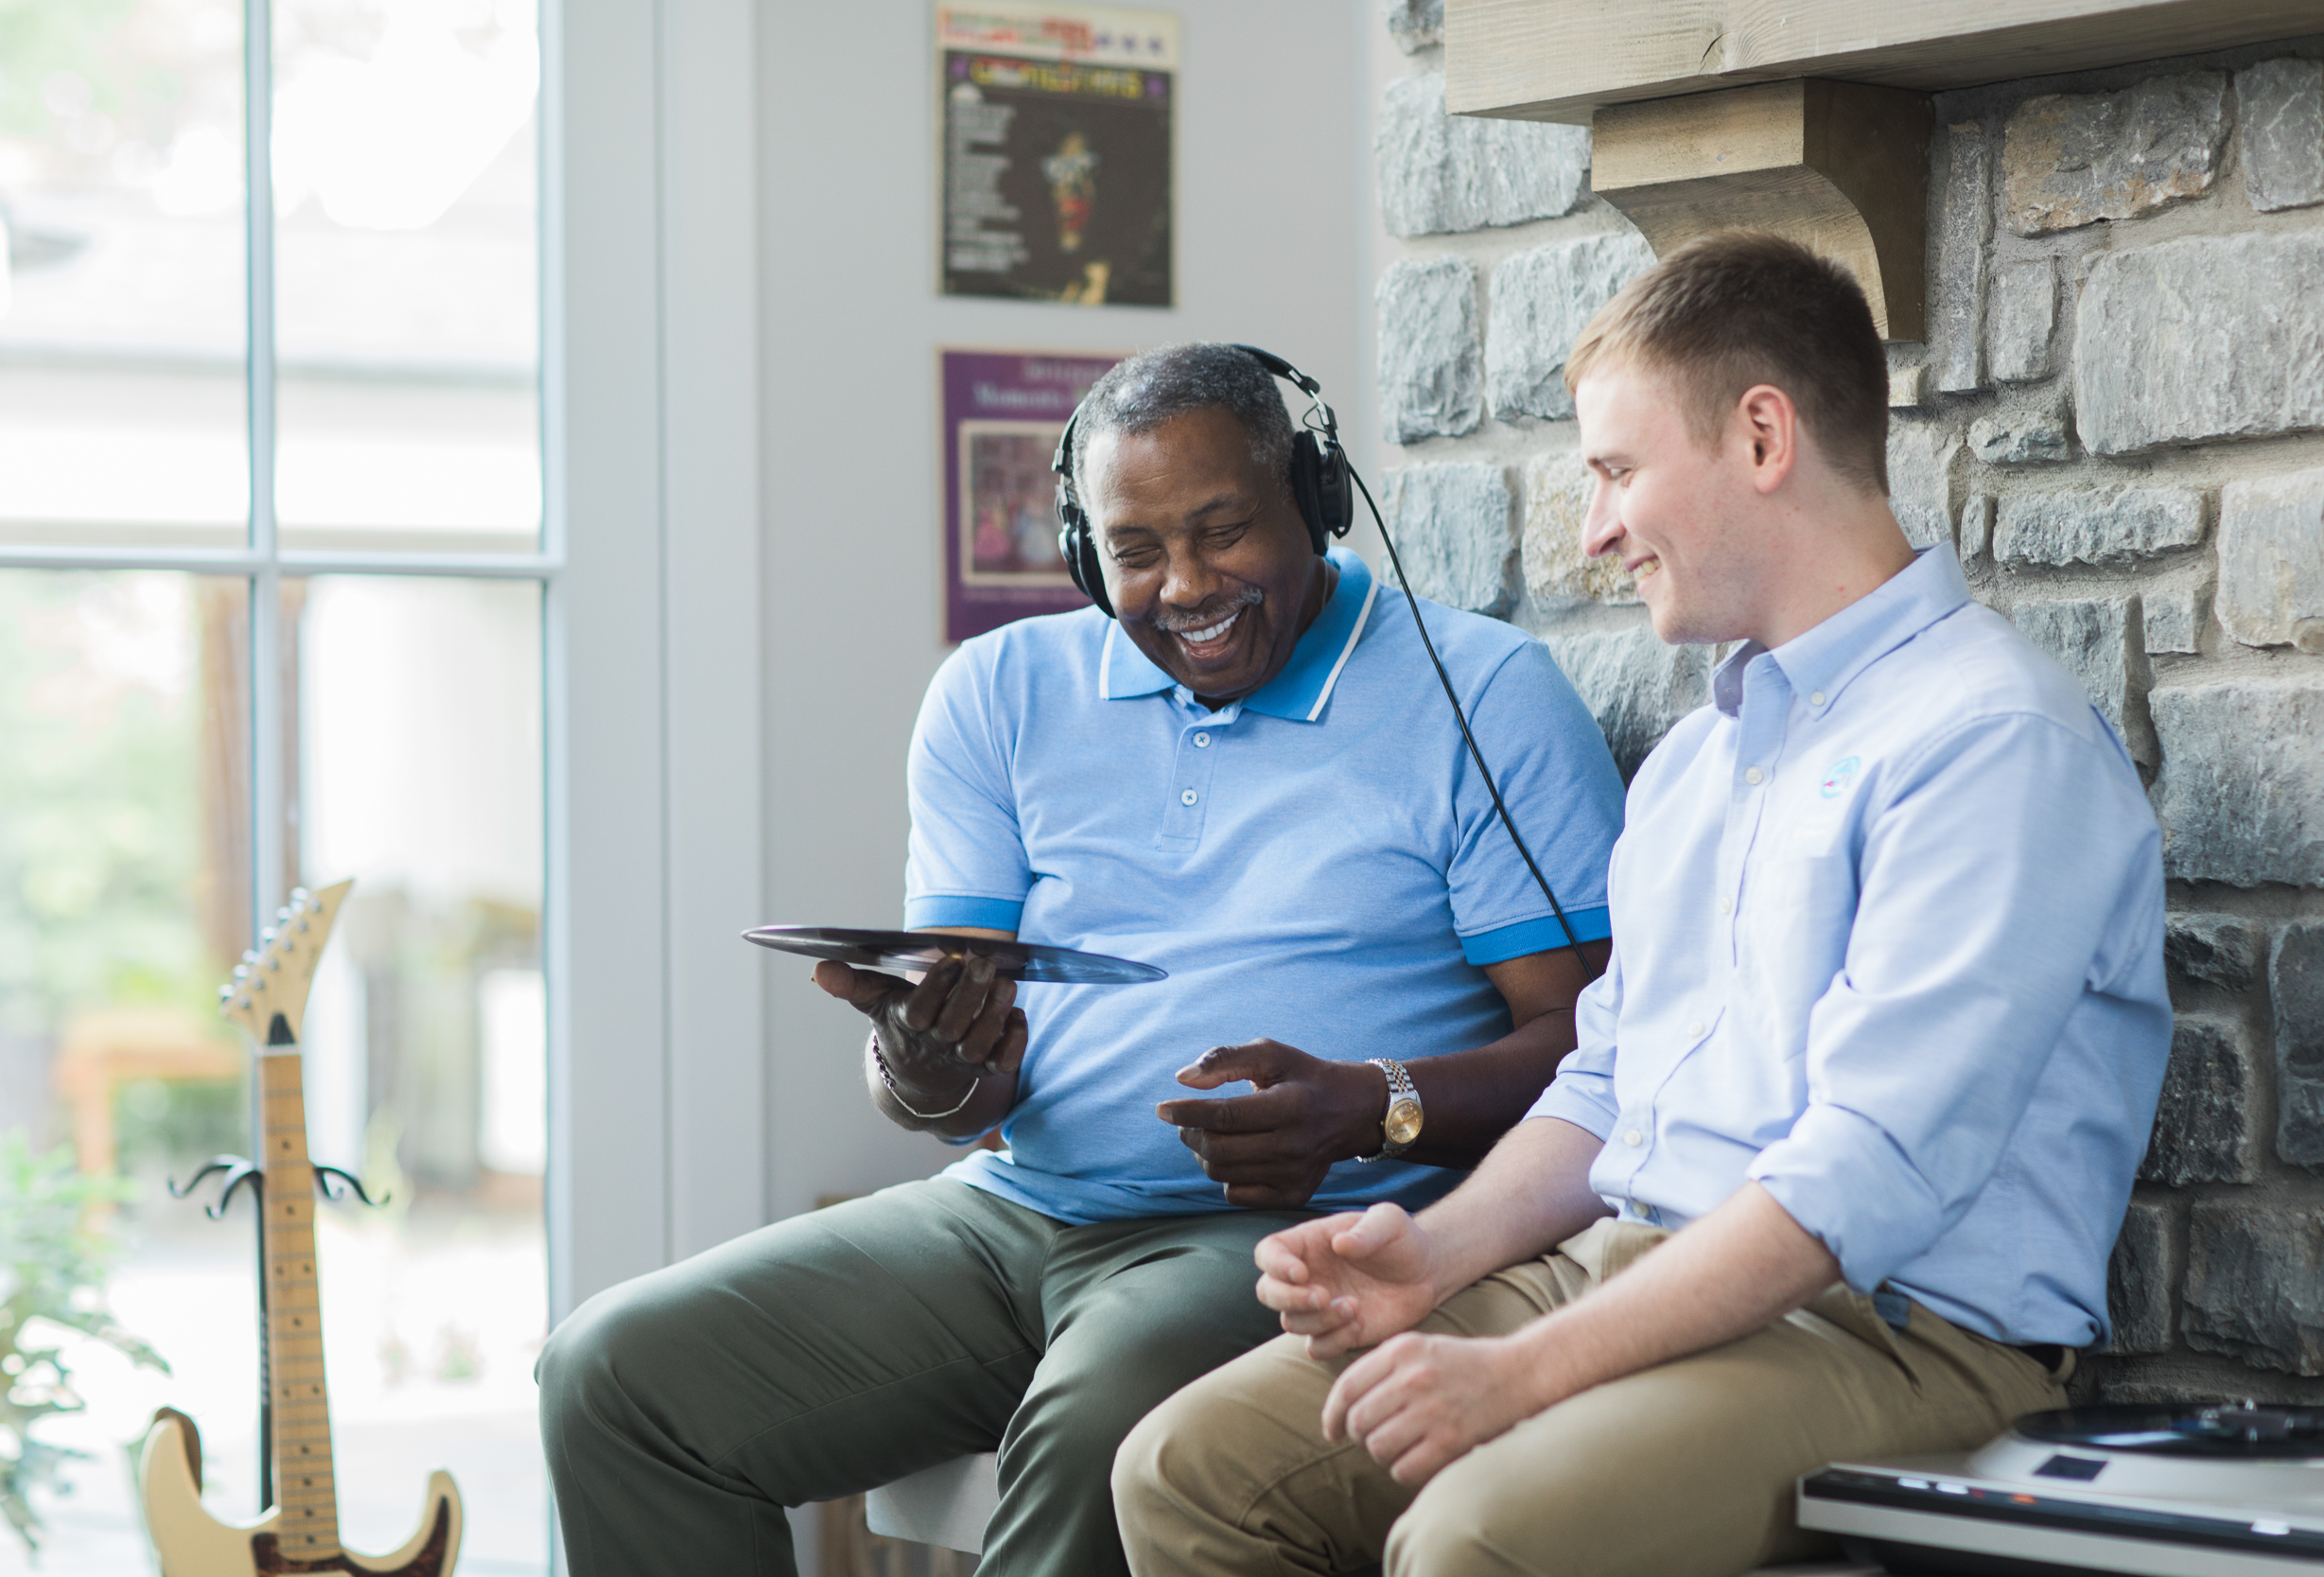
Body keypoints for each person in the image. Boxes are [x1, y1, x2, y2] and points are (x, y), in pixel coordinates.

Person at [1112, 235, 2175, 1577]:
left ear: (1763, 437)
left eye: (1617, 472)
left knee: (1475, 1539)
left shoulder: (1993, 742)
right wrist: (1426, 1258)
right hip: (1615, 1266)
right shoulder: (1697, 762)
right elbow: (1606, 1086)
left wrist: (1522, 1376)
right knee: (1189, 1472)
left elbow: (1866, 1174)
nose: (1594, 530)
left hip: (1891, 1338)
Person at [534, 342, 1629, 1576]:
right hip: (1013, 1215)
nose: (1186, 585)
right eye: (1138, 550)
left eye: (1224, 531)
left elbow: (1601, 1050)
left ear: (1314, 506)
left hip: (1292, 1234)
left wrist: (1368, 1107)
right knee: (616, 1378)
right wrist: (927, 1067)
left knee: (1104, 1423)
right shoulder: (997, 695)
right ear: (1082, 550)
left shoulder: (1480, 694)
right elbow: (957, 1094)